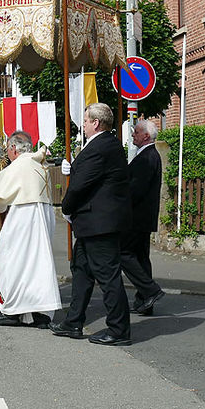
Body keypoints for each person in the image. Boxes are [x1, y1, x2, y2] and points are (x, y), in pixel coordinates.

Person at [49, 102, 133, 346]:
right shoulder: (106, 144)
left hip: (99, 223)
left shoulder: (100, 147)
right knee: (82, 271)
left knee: (108, 277)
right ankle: (73, 322)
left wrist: (66, 208)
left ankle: (119, 330)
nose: (83, 126)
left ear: (95, 123)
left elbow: (81, 184)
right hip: (94, 223)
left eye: (85, 121)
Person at [0, 130, 60, 327]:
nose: (8, 153)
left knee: (12, 263)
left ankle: (12, 312)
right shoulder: (40, 165)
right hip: (42, 219)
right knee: (37, 266)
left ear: (14, 148)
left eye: (8, 149)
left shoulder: (19, 166)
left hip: (22, 220)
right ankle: (37, 312)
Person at [121, 119, 166, 316]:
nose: (133, 135)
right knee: (140, 257)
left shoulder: (147, 157)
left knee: (123, 253)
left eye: (136, 132)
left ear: (146, 136)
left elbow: (135, 190)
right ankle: (144, 300)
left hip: (136, 217)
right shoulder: (148, 155)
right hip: (143, 217)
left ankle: (150, 290)